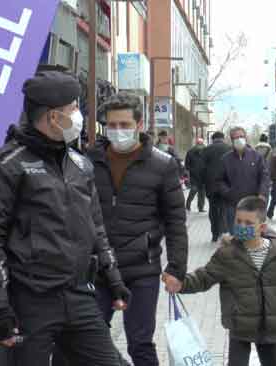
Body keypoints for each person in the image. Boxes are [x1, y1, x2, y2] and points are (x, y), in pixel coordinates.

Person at [0, 71, 131, 365]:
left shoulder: (79, 164)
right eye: (74, 108)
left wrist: (113, 277)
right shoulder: (4, 167)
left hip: (79, 295)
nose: (79, 115)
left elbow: (96, 228)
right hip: (30, 302)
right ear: (53, 117)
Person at [86, 92, 188, 365]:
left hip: (141, 269)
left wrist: (177, 268)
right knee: (89, 343)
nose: (117, 131)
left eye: (124, 125)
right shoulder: (87, 162)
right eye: (112, 125)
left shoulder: (162, 164)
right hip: (96, 268)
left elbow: (176, 221)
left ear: (139, 125)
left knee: (140, 344)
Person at [176, 196, 276, 366]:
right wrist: (181, 284)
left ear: (262, 227)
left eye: (248, 223)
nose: (241, 227)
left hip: (270, 325)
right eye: (238, 221)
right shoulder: (227, 255)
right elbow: (204, 277)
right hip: (239, 325)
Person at [217, 126, 271, 234]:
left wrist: (262, 194)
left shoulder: (256, 157)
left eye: (241, 136)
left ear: (245, 138)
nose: (239, 139)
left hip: (253, 204)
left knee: (253, 236)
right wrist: (228, 193)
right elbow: (219, 180)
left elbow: (264, 177)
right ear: (232, 140)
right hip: (233, 205)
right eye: (236, 137)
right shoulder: (225, 159)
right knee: (236, 238)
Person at [203, 131, 232, 242]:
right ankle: (223, 231)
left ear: (212, 139)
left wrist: (202, 183)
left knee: (213, 209)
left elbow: (201, 168)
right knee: (224, 208)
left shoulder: (206, 150)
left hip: (211, 185)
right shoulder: (229, 149)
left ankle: (215, 233)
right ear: (223, 138)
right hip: (226, 185)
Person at [185, 138, 207, 212]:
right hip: (194, 175)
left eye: (201, 143)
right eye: (198, 143)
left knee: (202, 193)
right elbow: (187, 165)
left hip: (203, 176)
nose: (200, 145)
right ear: (196, 144)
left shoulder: (206, 152)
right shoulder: (190, 152)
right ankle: (188, 204)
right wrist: (189, 173)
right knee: (194, 190)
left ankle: (201, 207)